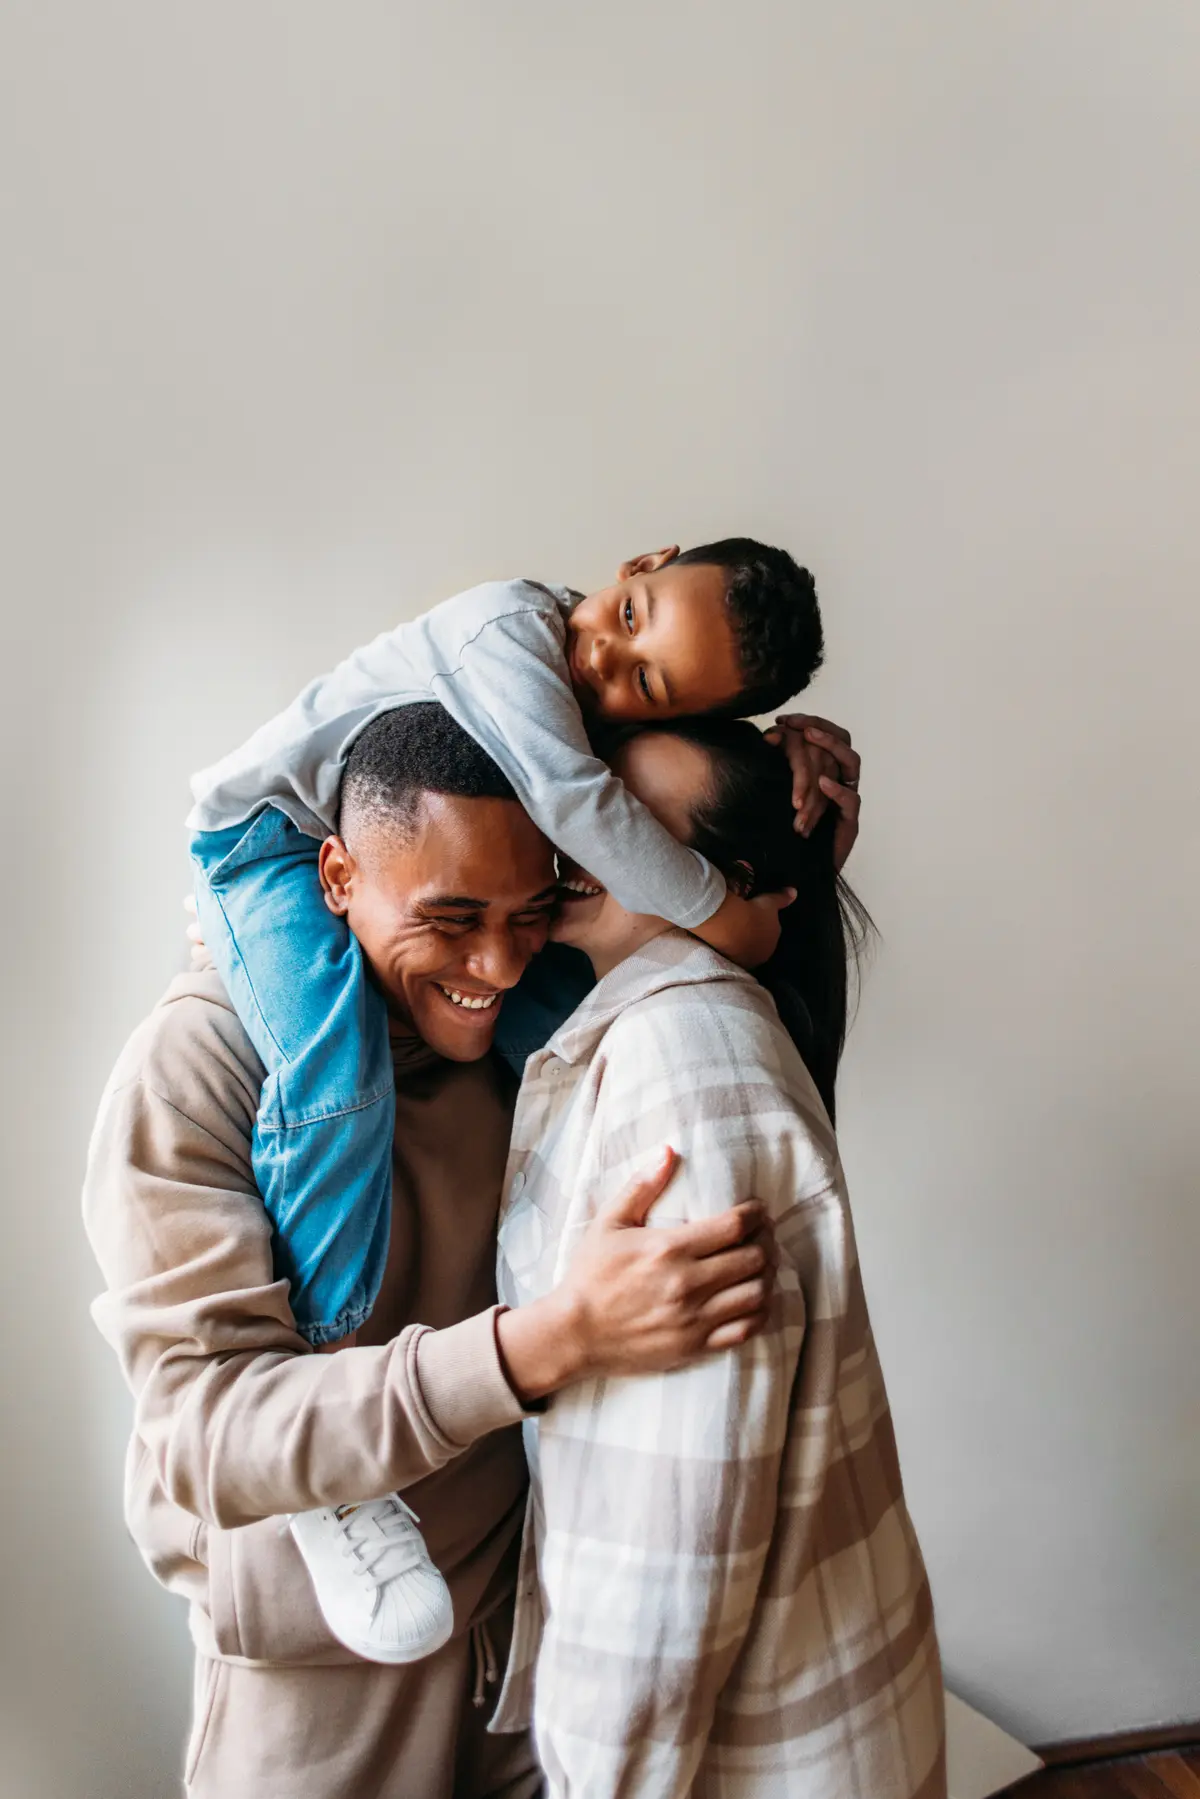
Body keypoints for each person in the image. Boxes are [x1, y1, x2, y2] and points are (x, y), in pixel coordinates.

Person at [84, 706, 783, 1799]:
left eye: (529, 910)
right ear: (336, 875)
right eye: (451, 917)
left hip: (532, 1627)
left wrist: (786, 822)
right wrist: (544, 1344)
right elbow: (206, 1434)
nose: (497, 961)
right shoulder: (196, 1069)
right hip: (319, 1677)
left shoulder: (536, 1029)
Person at [187, 537, 823, 1658]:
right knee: (335, 1077)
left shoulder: (590, 693)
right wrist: (732, 910)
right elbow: (589, 803)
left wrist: (782, 777)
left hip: (506, 1616)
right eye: (630, 614)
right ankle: (328, 1399)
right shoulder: (509, 635)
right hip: (263, 843)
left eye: (649, 688)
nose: (607, 658)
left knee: (551, 1036)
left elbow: (645, 770)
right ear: (642, 558)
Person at [493, 719, 947, 1798]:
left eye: (631, 822)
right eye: (589, 798)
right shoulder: (657, 1030)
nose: (580, 830)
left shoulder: (682, 1072)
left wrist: (591, 1778)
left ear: (726, 886)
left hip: (747, 1752)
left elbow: (671, 1536)